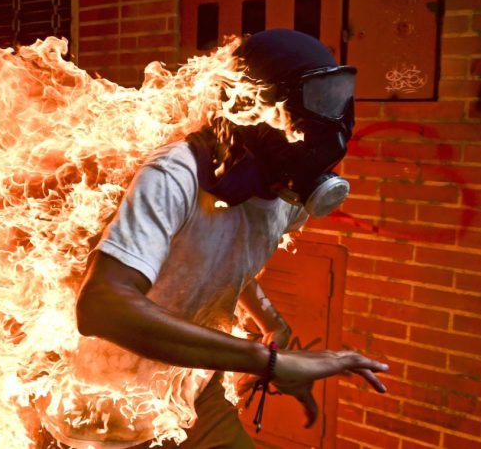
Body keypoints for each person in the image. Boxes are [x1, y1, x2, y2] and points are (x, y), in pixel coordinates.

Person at [70, 29, 388, 448]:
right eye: (317, 98)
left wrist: (269, 320)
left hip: (196, 391)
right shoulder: (176, 175)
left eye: (338, 98)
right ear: (253, 106)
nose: (332, 119)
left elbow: (220, 258)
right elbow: (102, 306)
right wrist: (269, 362)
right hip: (114, 408)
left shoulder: (285, 195)